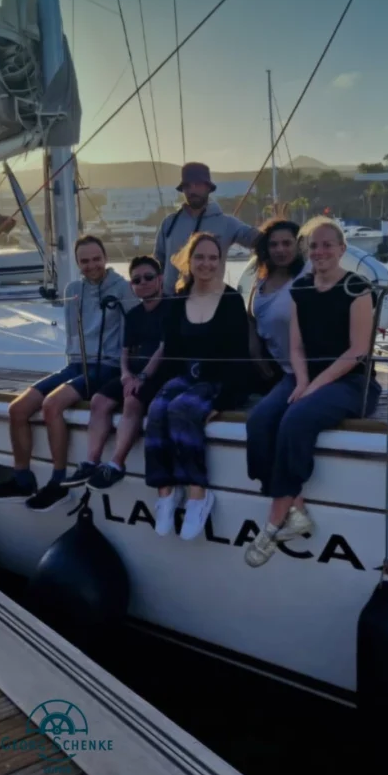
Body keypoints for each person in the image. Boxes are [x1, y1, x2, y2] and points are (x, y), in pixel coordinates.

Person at [244, 217, 381, 567]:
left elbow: (357, 352)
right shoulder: (301, 290)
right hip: (307, 377)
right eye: (314, 246)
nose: (320, 251)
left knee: (296, 418)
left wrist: (316, 386)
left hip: (352, 382)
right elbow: (296, 347)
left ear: (341, 249)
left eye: (327, 245)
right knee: (260, 420)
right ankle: (297, 505)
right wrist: (303, 382)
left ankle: (275, 518)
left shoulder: (357, 289)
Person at [0, 235, 131, 510]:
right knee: (17, 409)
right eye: (84, 261)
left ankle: (58, 482)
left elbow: (131, 332)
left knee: (52, 405)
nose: (91, 265)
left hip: (106, 366)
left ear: (105, 258)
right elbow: (73, 335)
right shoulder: (74, 289)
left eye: (96, 259)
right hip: (75, 364)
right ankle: (23, 478)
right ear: (77, 263)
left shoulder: (123, 288)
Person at [144, 231, 254, 540]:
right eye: (200, 257)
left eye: (212, 258)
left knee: (183, 409)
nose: (206, 264)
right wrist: (150, 388)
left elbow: (239, 357)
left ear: (220, 262)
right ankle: (165, 492)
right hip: (187, 376)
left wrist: (222, 403)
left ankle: (197, 492)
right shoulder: (179, 300)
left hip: (219, 378)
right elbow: (172, 355)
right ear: (188, 262)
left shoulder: (231, 300)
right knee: (157, 409)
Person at [66, 255, 168, 491]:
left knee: (132, 401)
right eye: (137, 280)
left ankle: (116, 464)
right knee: (99, 401)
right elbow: (125, 350)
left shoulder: (171, 308)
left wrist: (141, 378)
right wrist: (125, 374)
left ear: (160, 279)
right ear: (132, 285)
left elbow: (164, 349)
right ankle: (91, 461)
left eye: (148, 277)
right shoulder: (133, 315)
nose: (143, 283)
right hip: (134, 374)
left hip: (162, 374)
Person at [154, 162, 260, 294]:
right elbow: (159, 263)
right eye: (187, 186)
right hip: (171, 304)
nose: (192, 190)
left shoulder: (227, 223)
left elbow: (261, 240)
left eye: (198, 185)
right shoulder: (168, 223)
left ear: (208, 188)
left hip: (209, 304)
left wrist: (278, 228)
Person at [246, 218, 305, 388]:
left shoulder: (307, 279)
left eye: (287, 243)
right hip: (270, 367)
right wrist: (255, 355)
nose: (280, 249)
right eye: (273, 244)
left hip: (300, 370)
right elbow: (251, 318)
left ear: (298, 245)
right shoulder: (260, 281)